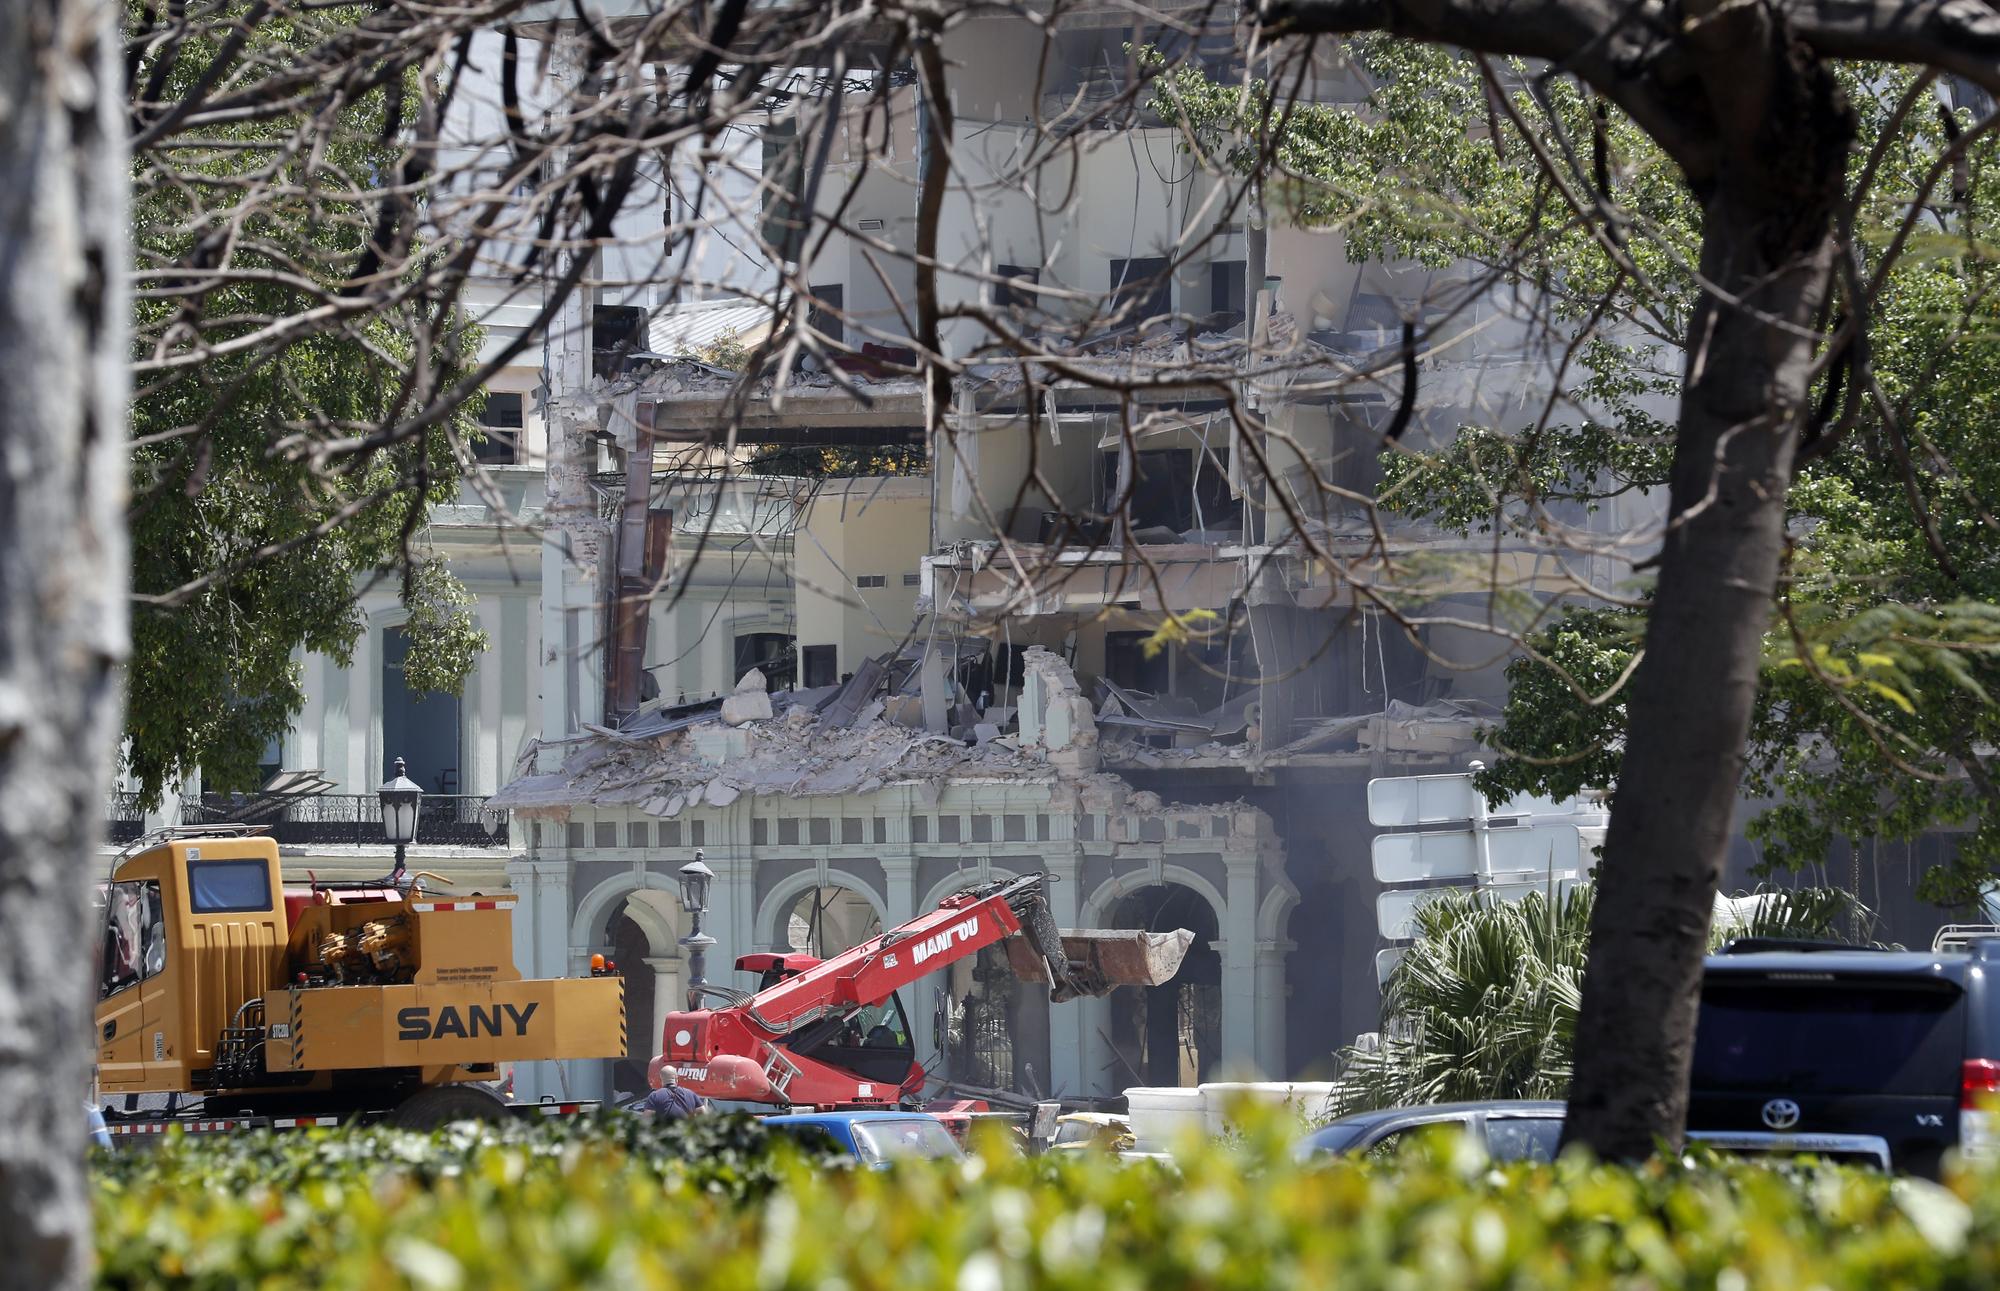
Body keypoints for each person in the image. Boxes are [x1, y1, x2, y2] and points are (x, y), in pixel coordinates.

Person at [636, 1055, 704, 1118]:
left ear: (661, 1079)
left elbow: (646, 1118)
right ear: (676, 1078)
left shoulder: (655, 1096)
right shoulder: (691, 1094)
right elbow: (703, 1113)